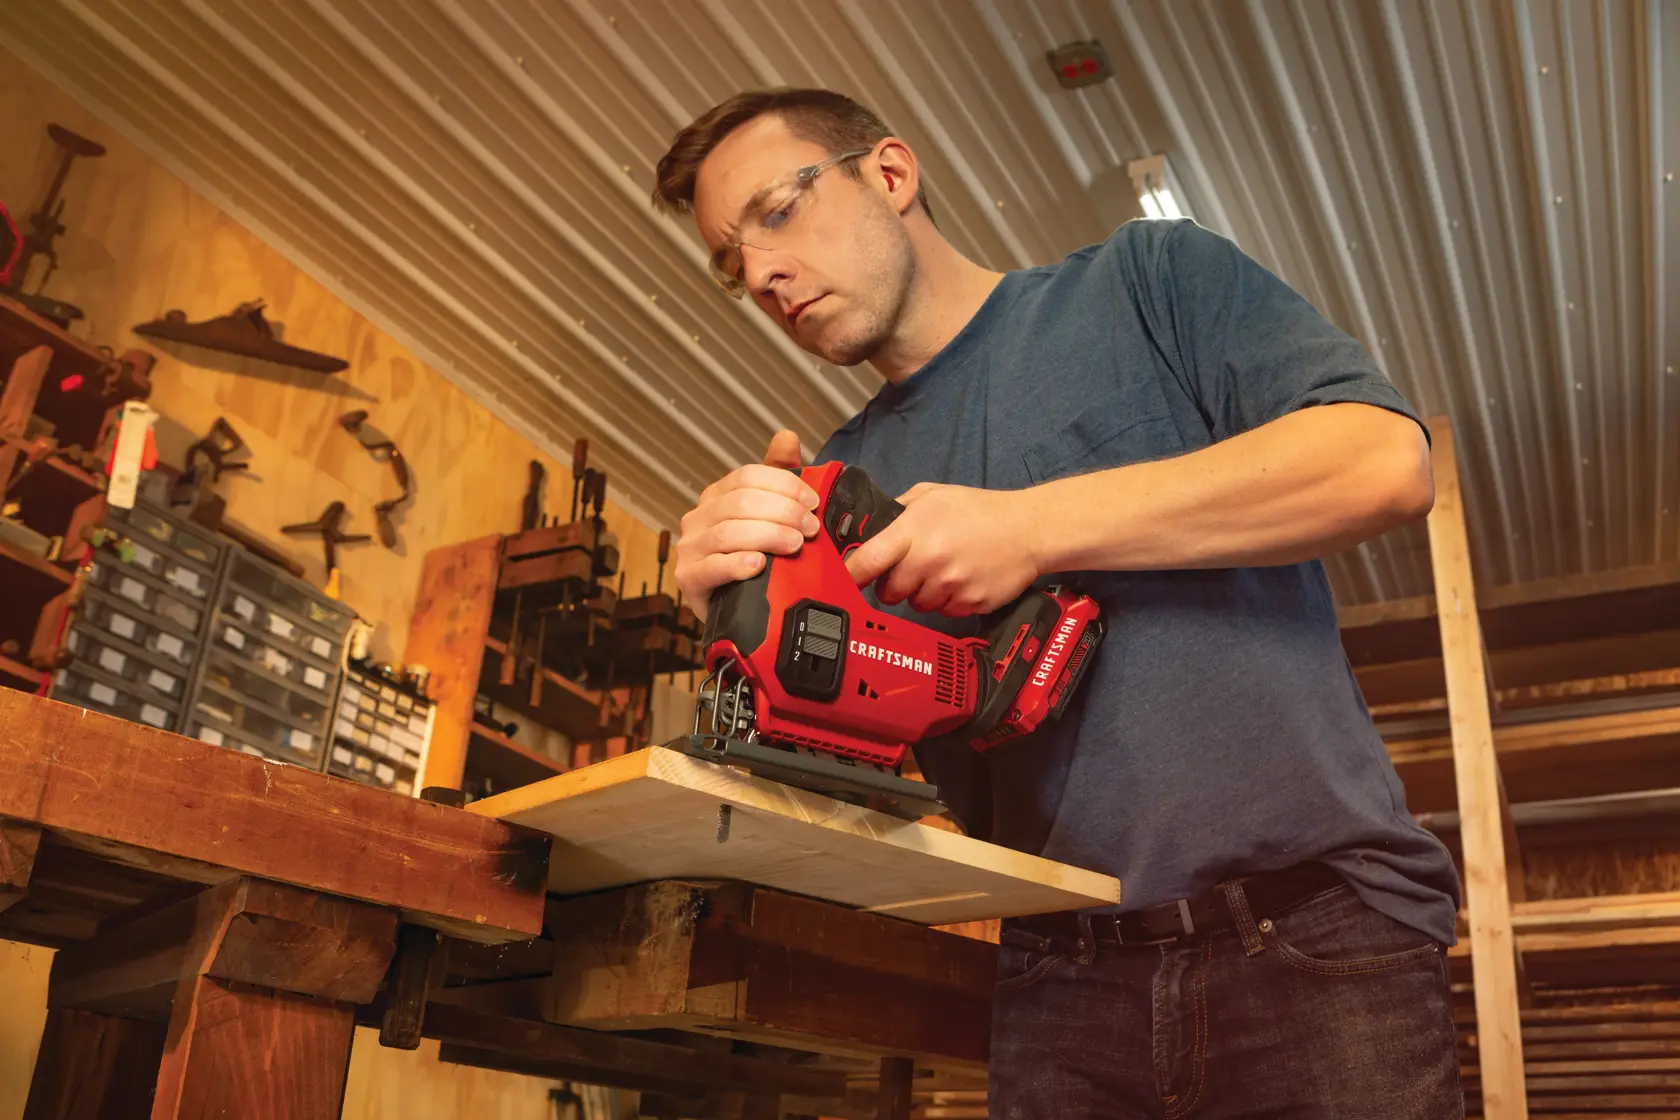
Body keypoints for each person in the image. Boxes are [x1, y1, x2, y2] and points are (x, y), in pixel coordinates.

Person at [651, 87, 1464, 1120]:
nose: (762, 273)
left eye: (776, 211)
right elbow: (846, 781)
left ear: (890, 175)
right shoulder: (840, 484)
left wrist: (1030, 528)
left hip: (1315, 941)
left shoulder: (1146, 281)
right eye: (733, 263)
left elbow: (1382, 462)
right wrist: (738, 609)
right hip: (1060, 990)